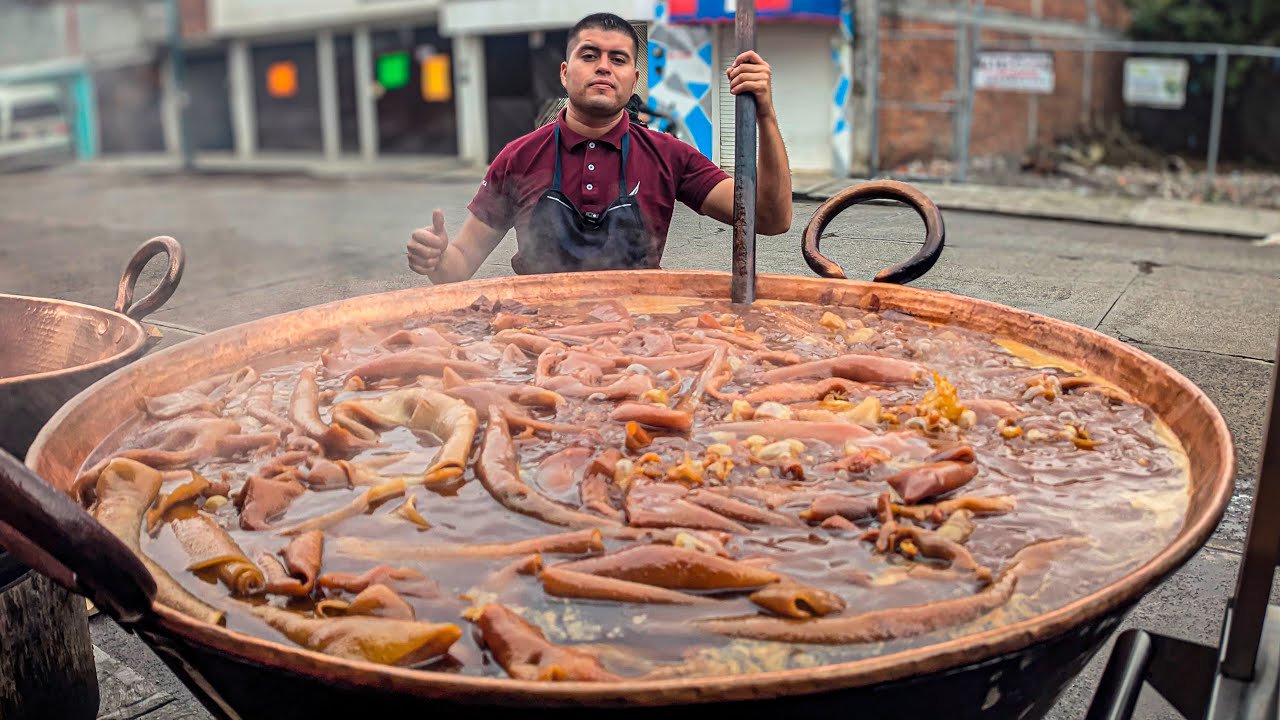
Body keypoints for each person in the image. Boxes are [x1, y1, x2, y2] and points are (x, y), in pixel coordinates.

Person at [406, 12, 792, 282]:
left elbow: (771, 219)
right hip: (537, 339)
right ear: (564, 72)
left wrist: (766, 116)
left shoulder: (670, 155)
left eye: (618, 59)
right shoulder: (518, 157)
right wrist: (436, 258)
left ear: (634, 78)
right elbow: (458, 268)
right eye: (589, 55)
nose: (603, 67)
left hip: (639, 343)